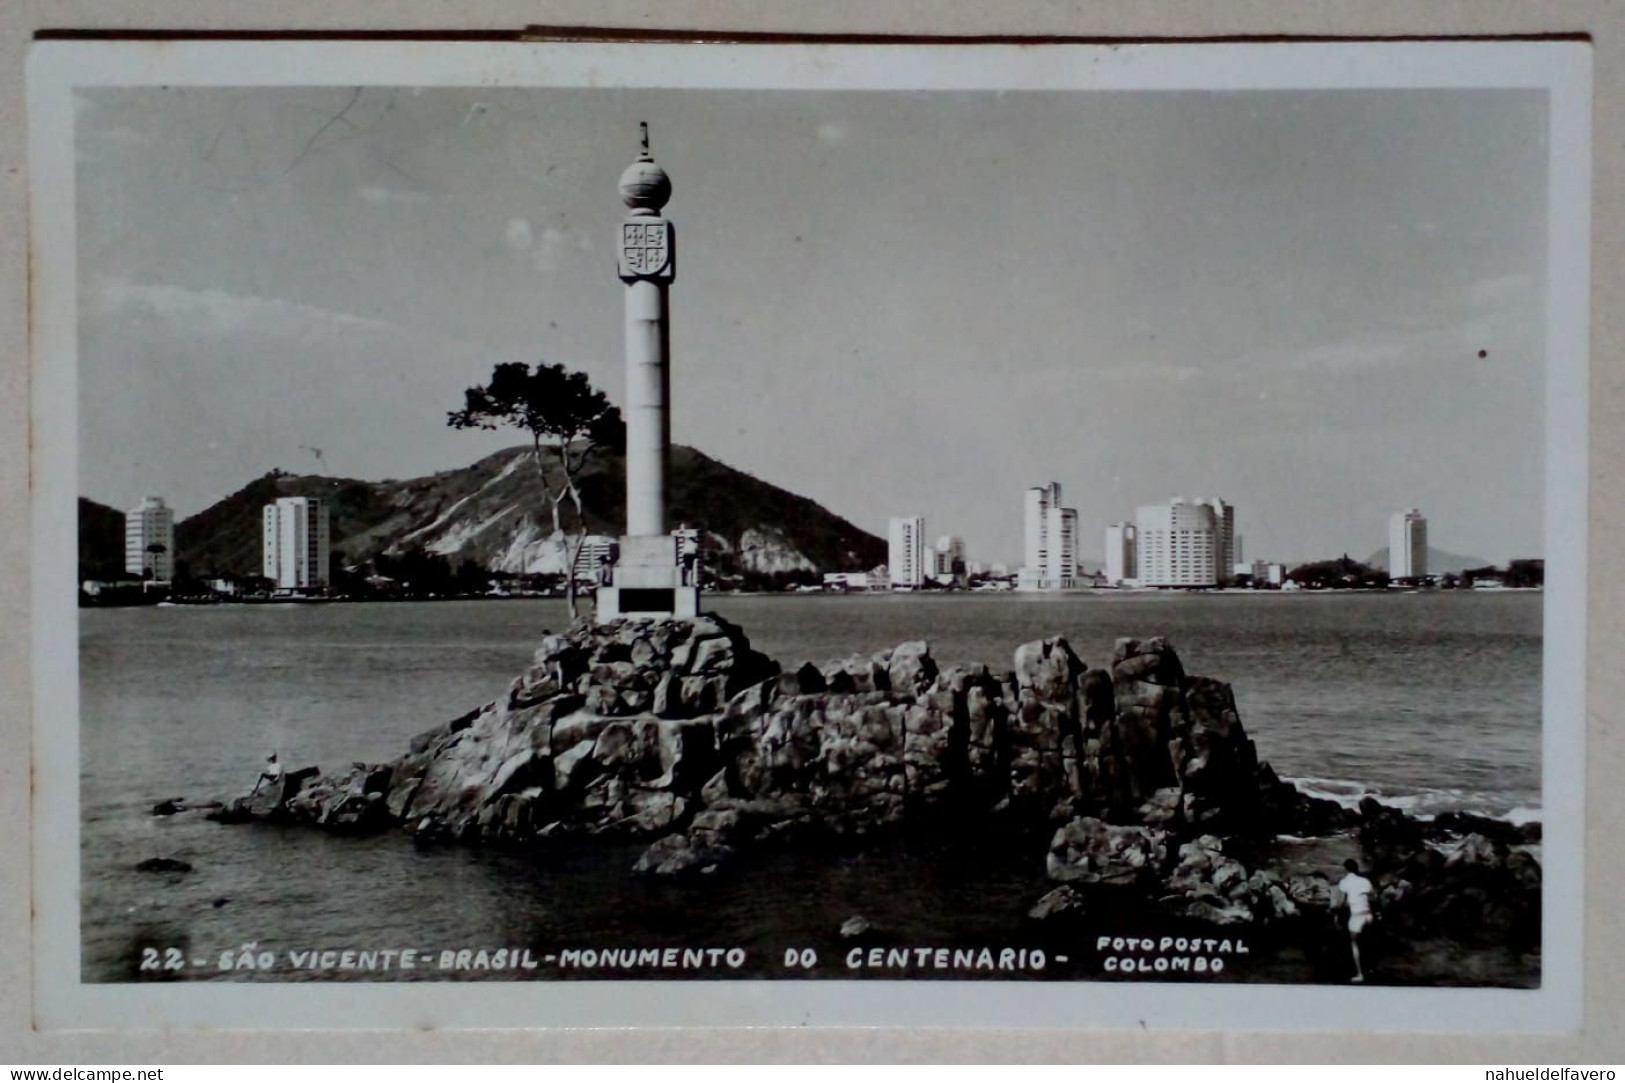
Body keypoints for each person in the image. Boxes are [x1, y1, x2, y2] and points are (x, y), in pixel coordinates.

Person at [1335, 857, 1377, 983]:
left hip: (1356, 916)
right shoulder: (1365, 881)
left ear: (1345, 869)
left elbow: (1341, 902)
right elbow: (1374, 897)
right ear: (1357, 868)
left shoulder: (1344, 882)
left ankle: (1360, 974)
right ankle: (1371, 968)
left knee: (1354, 944)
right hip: (1368, 915)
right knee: (1368, 944)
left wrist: (1336, 912)